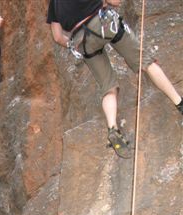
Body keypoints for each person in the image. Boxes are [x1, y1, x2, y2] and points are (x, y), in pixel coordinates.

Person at [47, 0, 183, 159]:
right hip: (103, 23)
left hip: (81, 40)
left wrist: (72, 45)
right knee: (144, 61)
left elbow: (57, 36)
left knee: (108, 86)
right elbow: (114, 1)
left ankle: (113, 128)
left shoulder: (54, 3)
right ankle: (179, 103)